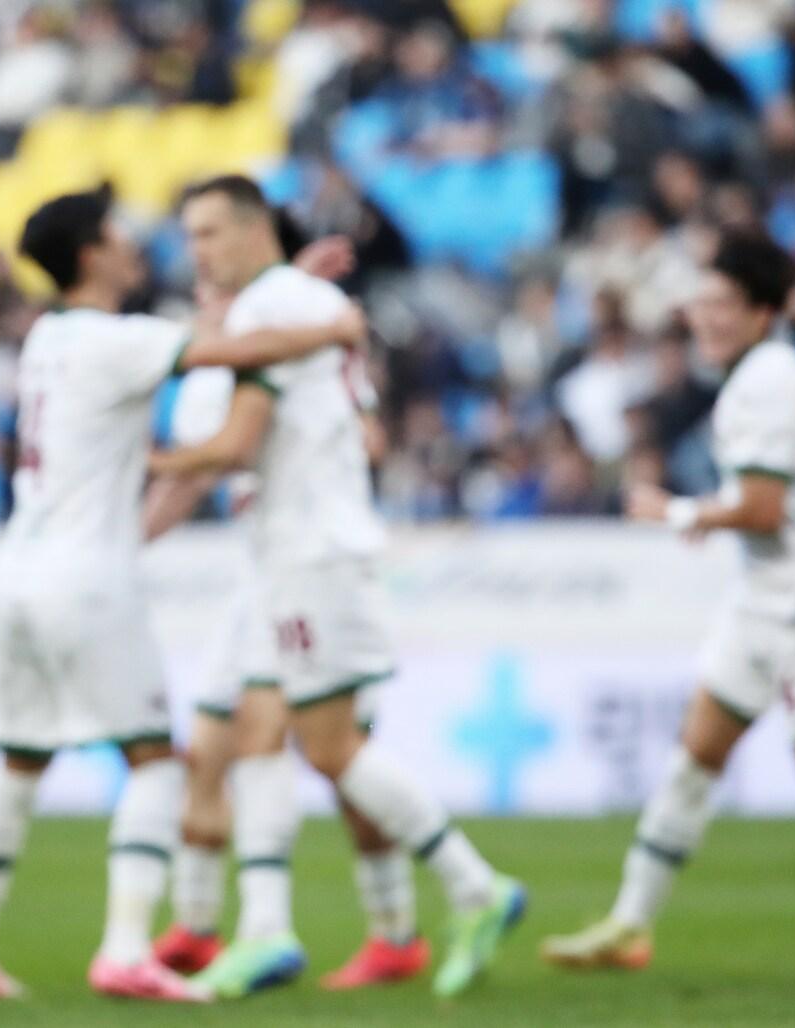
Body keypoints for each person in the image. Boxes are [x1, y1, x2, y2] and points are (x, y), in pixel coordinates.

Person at [0, 184, 366, 1002]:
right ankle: (127, 949)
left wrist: (279, 283)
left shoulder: (47, 339)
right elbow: (231, 353)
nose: (139, 245)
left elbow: (211, 333)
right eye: (119, 233)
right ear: (92, 253)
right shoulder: (111, 338)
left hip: (17, 573)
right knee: (157, 762)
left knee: (19, 763)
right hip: (87, 579)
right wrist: (331, 322)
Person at [149, 174, 525, 1000]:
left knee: (325, 748)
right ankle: (269, 929)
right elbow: (354, 420)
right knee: (260, 735)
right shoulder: (288, 302)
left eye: (209, 234)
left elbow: (238, 444)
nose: (197, 253)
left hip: (309, 553)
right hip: (302, 550)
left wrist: (131, 467)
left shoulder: (268, 310)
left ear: (254, 232)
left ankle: (472, 887)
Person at [541, 232, 795, 971]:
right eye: (700, 303)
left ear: (763, 312)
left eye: (721, 305)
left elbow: (766, 508)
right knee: (693, 760)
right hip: (759, 604)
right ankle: (630, 925)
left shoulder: (771, 379)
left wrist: (679, 513)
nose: (704, 318)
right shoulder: (753, 375)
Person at [149, 303, 430, 996]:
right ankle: (201, 922)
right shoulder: (214, 368)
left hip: (318, 569)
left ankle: (391, 924)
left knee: (320, 752)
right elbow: (196, 478)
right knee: (213, 746)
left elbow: (364, 440)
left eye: (214, 246)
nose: (206, 278)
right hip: (261, 576)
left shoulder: (286, 348)